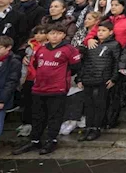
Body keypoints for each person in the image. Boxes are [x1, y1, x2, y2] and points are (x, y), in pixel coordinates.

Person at [13, 23, 82, 156]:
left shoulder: (69, 49)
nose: (54, 36)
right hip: (39, 88)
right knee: (37, 116)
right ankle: (35, 140)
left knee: (54, 116)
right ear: (47, 35)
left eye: (58, 33)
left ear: (63, 35)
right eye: (51, 33)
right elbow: (35, 64)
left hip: (57, 88)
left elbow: (76, 67)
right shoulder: (41, 49)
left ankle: (52, 140)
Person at [76, 20, 121, 142]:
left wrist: (113, 78)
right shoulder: (91, 44)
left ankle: (96, 128)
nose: (100, 33)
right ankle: (88, 127)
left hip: (103, 79)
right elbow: (84, 63)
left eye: (104, 31)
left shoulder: (114, 45)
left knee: (100, 104)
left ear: (110, 32)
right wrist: (80, 78)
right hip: (88, 78)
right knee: (88, 104)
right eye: (99, 30)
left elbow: (117, 63)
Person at [0, 36, 21, 145]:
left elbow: (11, 82)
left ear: (8, 48)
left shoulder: (14, 62)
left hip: (0, 97)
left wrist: (1, 100)